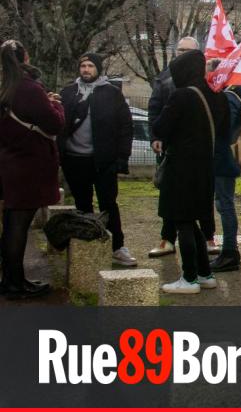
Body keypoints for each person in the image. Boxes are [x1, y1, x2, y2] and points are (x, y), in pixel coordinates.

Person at [153, 50, 230, 294]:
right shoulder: (217, 96)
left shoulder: (182, 96)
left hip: (181, 167)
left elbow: (160, 127)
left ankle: (189, 278)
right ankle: (205, 273)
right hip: (205, 166)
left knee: (182, 220)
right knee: (195, 219)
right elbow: (226, 130)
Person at [0, 40, 65, 299]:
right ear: (25, 57)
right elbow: (54, 124)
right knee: (18, 226)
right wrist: (56, 104)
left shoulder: (4, 87)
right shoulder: (27, 88)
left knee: (10, 224)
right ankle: (16, 284)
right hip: (29, 166)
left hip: (8, 162)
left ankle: (10, 279)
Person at [57, 53, 136, 267]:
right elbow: (58, 124)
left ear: (98, 69)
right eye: (83, 65)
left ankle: (117, 247)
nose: (86, 69)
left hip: (103, 160)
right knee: (83, 206)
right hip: (74, 159)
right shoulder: (68, 92)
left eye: (90, 66)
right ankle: (89, 249)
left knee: (108, 204)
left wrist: (122, 158)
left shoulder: (111, 93)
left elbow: (126, 126)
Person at [148, 37, 217, 258]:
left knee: (187, 208)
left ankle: (207, 240)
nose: (183, 53)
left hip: (190, 154)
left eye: (188, 51)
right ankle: (167, 238)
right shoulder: (164, 79)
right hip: (174, 150)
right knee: (175, 202)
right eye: (180, 49)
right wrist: (155, 136)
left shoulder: (207, 88)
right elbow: (155, 109)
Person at [210, 59, 241, 273]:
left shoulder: (229, 97)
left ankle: (229, 252)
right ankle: (229, 251)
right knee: (224, 203)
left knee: (225, 205)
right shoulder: (238, 94)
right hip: (228, 158)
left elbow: (224, 130)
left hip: (223, 158)